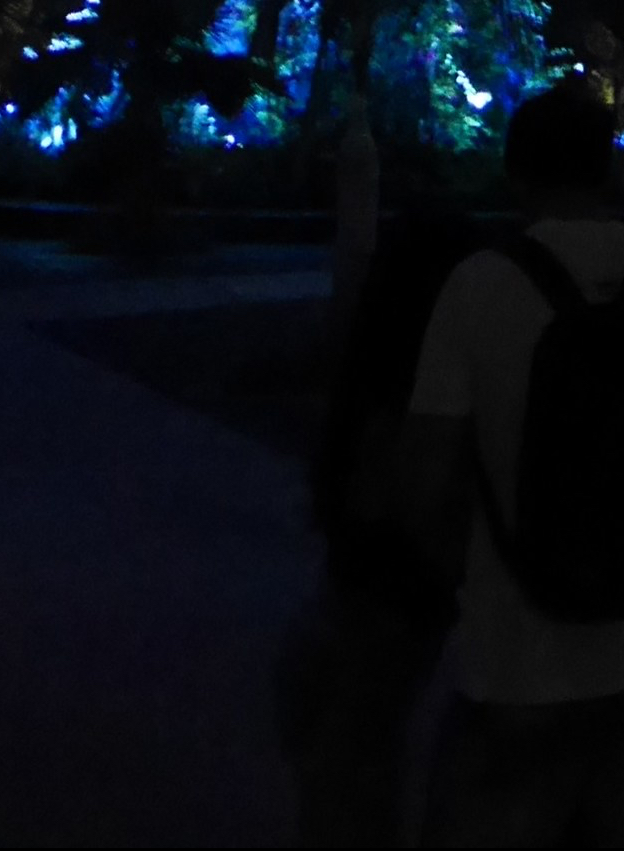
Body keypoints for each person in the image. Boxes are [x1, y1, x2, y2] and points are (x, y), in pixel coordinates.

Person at [403, 83, 624, 850]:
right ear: (609, 170)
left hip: (519, 658)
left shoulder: (479, 288)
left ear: (516, 175)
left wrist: (468, 573)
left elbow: (425, 478)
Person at [279, 200, 484, 843]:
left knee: (346, 766)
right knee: (357, 762)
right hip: (392, 597)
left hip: (369, 593)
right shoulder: (437, 380)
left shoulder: (381, 371)